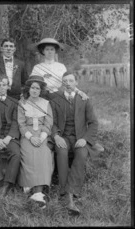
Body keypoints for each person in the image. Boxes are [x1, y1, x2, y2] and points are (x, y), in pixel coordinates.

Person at [50, 71, 98, 216]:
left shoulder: (84, 99)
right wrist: (56, 136)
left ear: (76, 83)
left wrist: (85, 138)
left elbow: (93, 123)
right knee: (61, 152)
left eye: (71, 81)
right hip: (63, 136)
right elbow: (51, 122)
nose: (68, 84)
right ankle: (68, 195)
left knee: (82, 155)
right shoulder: (55, 100)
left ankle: (68, 192)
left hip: (80, 138)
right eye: (65, 81)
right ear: (62, 84)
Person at [17, 75, 53, 209]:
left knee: (43, 153)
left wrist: (42, 137)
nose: (35, 90)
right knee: (29, 154)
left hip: (42, 134)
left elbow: (48, 124)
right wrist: (31, 137)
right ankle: (33, 188)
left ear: (41, 90)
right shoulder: (22, 103)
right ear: (28, 89)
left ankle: (37, 192)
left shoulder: (46, 103)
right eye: (32, 88)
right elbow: (21, 124)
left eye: (37, 88)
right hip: (27, 135)